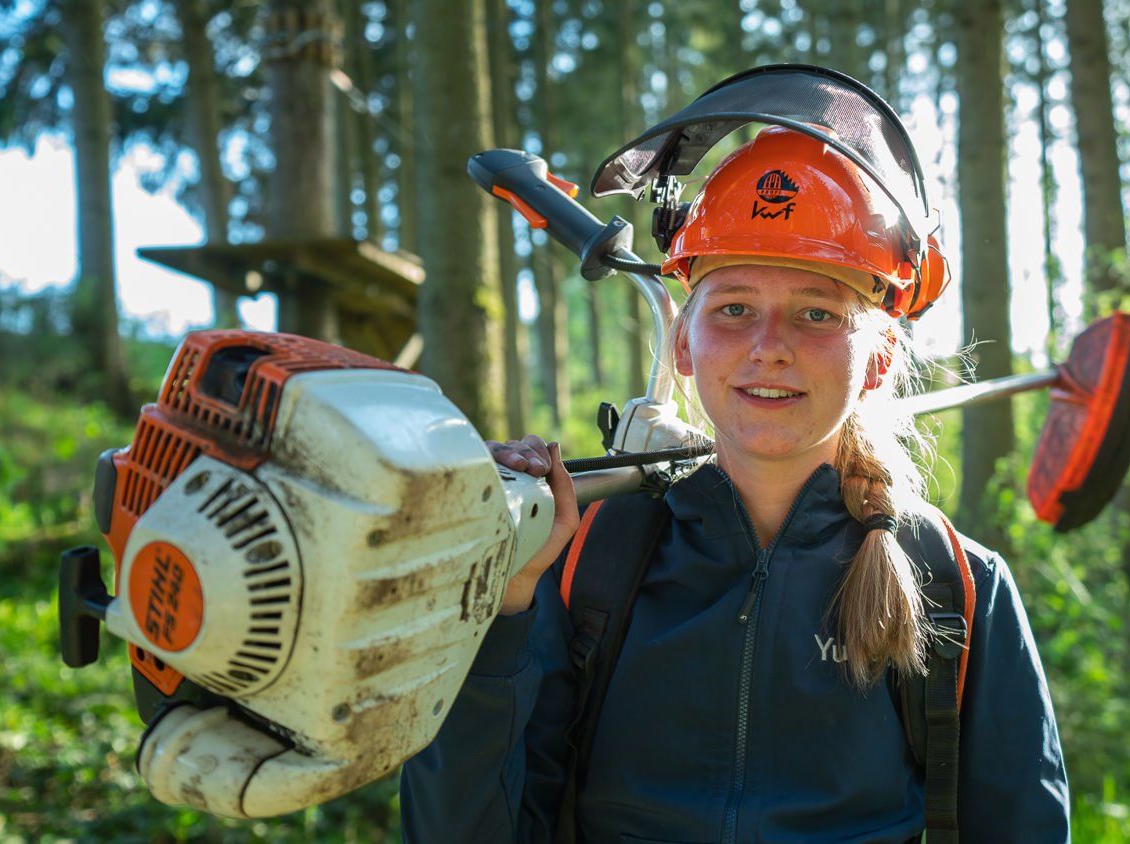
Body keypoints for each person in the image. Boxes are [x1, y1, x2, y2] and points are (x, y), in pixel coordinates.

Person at [400, 122, 1070, 842]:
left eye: (817, 313)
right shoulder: (584, 563)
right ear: (683, 342)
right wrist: (495, 607)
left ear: (877, 360)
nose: (769, 348)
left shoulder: (959, 585)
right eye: (734, 309)